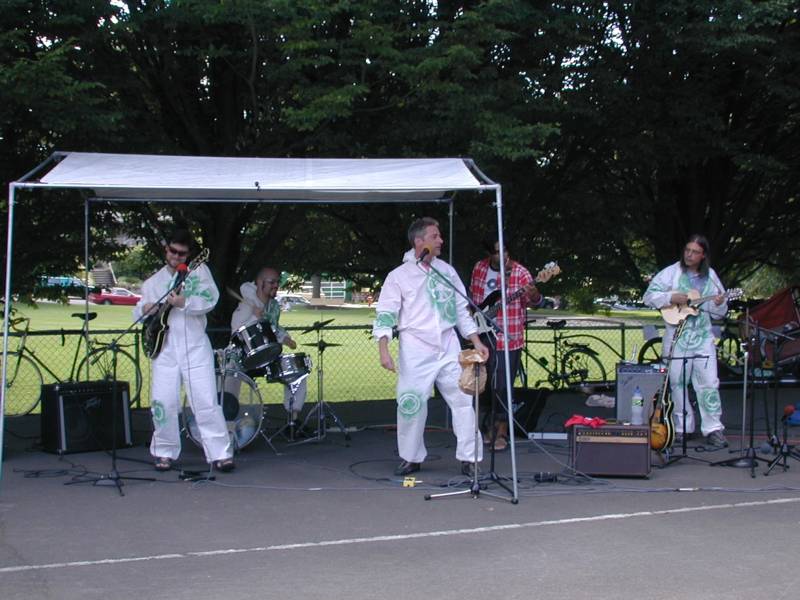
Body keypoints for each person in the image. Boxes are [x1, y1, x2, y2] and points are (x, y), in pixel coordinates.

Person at [373, 217, 490, 477]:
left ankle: (470, 459)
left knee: (463, 400)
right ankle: (411, 457)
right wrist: (384, 349)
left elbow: (462, 309)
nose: (441, 241)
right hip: (415, 348)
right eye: (435, 236)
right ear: (419, 241)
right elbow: (386, 314)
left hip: (448, 345)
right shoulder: (398, 276)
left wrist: (477, 341)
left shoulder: (446, 271)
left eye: (439, 236)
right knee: (411, 404)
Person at [134, 229, 235, 472]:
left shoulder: (198, 272)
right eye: (172, 251)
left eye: (181, 253)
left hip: (195, 346)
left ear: (189, 254)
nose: (176, 256)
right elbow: (139, 312)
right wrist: (144, 309)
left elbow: (211, 299)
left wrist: (185, 302)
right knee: (164, 401)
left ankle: (220, 453)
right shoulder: (153, 282)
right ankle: (164, 451)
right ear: (166, 250)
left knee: (205, 400)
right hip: (165, 347)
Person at [643, 234, 728, 448]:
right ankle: (682, 427)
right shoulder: (671, 273)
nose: (689, 255)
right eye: (687, 250)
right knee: (677, 383)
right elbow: (649, 296)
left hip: (702, 338)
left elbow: (720, 312)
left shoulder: (711, 277)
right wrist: (671, 298)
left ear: (703, 256)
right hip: (677, 337)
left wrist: (718, 302)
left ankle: (713, 428)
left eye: (694, 252)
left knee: (708, 383)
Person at [470, 238, 543, 451]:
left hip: (508, 338)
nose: (501, 257)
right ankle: (483, 428)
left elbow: (536, 302)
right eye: (496, 253)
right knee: (481, 384)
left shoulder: (521, 273)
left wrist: (534, 294)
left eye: (505, 252)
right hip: (481, 335)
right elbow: (474, 300)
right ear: (489, 254)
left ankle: (501, 432)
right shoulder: (479, 268)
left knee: (502, 386)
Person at [230, 267, 307, 424]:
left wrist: (285, 338)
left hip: (267, 357)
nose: (275, 285)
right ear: (259, 283)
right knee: (229, 376)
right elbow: (235, 329)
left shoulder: (274, 306)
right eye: (271, 282)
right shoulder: (247, 305)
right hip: (243, 358)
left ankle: (293, 420)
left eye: (277, 282)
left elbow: (273, 328)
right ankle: (229, 422)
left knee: (297, 371)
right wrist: (254, 317)